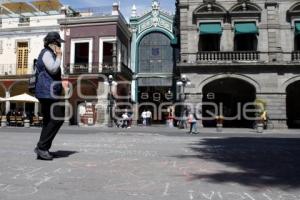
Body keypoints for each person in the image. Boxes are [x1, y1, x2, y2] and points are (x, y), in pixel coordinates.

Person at [34, 32, 66, 161]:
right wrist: (59, 56)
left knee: (49, 121)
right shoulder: (47, 53)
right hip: (47, 92)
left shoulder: (48, 53)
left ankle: (43, 149)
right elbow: (53, 69)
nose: (59, 46)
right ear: (52, 43)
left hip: (48, 91)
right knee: (57, 118)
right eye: (58, 43)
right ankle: (42, 147)